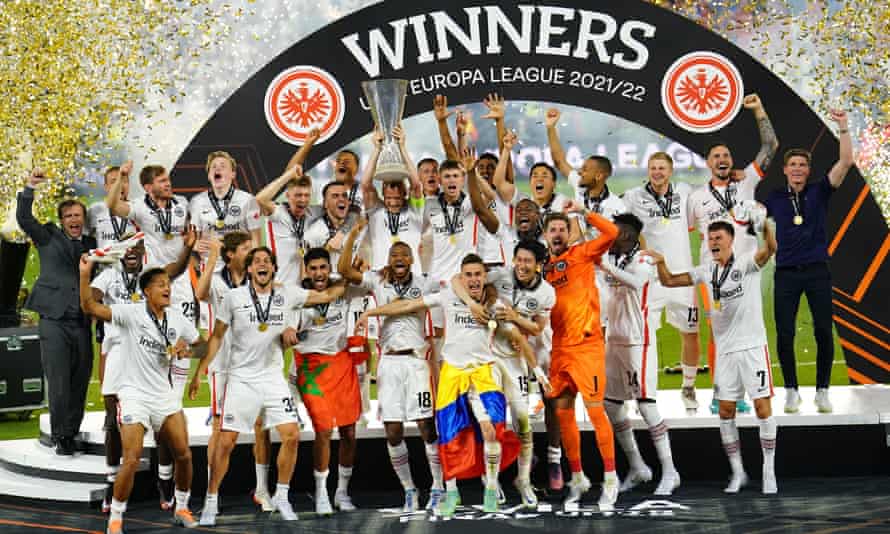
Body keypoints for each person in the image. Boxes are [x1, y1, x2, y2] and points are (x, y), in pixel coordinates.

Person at [359, 254, 536, 516]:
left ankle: (490, 485)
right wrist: (372, 311)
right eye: (469, 275)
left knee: (491, 430)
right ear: (461, 278)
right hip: (452, 373)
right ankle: (451, 491)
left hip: (483, 373)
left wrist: (527, 353)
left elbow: (520, 332)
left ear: (484, 277)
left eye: (478, 274)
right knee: (448, 437)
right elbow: (408, 305)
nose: (474, 279)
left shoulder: (495, 304)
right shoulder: (448, 295)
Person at [191, 247, 343, 525]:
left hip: (273, 378)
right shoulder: (233, 298)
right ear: (249, 269)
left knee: (292, 435)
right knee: (226, 442)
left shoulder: (288, 294)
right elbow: (216, 336)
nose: (262, 265)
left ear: (273, 268)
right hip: (241, 379)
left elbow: (327, 295)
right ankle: (210, 501)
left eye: (267, 261)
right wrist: (200, 371)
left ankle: (282, 495)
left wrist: (350, 275)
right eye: (256, 261)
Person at [648, 219, 778, 494]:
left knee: (762, 409)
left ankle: (768, 472)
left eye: (719, 238)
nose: (714, 242)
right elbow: (669, 280)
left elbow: (770, 250)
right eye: (710, 239)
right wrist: (660, 261)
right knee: (726, 411)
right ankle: (738, 473)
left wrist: (766, 227)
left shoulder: (745, 264)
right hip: (725, 354)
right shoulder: (705, 271)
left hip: (752, 348)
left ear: (731, 241)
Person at [80, 259, 205, 533]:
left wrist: (188, 351)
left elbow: (202, 345)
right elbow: (89, 306)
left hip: (165, 394)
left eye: (168, 284)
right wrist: (84, 273)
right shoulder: (131, 313)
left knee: (184, 455)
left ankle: (181, 506)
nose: (167, 289)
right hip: (134, 394)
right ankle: (116, 517)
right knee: (133, 457)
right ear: (146, 291)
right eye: (161, 284)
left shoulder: (177, 319)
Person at [105, 163, 197, 504]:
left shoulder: (182, 206)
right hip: (158, 285)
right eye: (161, 181)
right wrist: (123, 179)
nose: (168, 184)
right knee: (154, 366)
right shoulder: (141, 208)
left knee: (178, 368)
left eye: (168, 179)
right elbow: (114, 206)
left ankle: (168, 475)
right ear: (147, 186)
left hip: (182, 289)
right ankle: (161, 476)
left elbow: (186, 241)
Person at [339, 220, 444, 512]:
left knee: (426, 426)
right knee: (393, 430)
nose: (398, 259)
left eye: (403, 254)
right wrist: (352, 236)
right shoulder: (377, 280)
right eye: (393, 255)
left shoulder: (426, 283)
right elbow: (345, 271)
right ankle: (410, 490)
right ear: (388, 261)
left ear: (411, 259)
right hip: (389, 364)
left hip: (417, 362)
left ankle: (438, 486)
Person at [687, 93, 779, 413]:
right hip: (712, 274)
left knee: (748, 329)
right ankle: (722, 391)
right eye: (716, 156)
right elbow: (685, 231)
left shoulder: (746, 183)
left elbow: (770, 147)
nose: (722, 160)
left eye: (726, 155)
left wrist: (759, 109)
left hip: (748, 268)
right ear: (709, 163)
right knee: (718, 330)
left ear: (732, 161)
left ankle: (749, 386)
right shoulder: (697, 197)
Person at [451, 239, 555, 508]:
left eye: (527, 261)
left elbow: (534, 330)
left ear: (538, 265)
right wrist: (473, 304)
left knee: (524, 425)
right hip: (489, 363)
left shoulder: (547, 293)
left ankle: (523, 480)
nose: (521, 265)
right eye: (518, 259)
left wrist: (514, 318)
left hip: (517, 363)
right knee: (494, 427)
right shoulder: (498, 275)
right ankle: (492, 480)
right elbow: (456, 279)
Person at [765, 109, 853, 414]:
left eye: (803, 164)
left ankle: (822, 390)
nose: (798, 169)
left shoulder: (820, 190)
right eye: (793, 165)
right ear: (785, 170)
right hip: (786, 274)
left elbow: (845, 163)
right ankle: (791, 391)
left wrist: (842, 126)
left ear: (808, 169)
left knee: (822, 332)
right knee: (785, 332)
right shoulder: (774, 197)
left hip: (817, 272)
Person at [194, 231, 277, 511]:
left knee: (261, 427)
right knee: (220, 429)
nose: (251, 253)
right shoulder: (217, 281)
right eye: (245, 249)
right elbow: (199, 293)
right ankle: (212, 494)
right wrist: (213, 256)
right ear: (231, 255)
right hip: (224, 365)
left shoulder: (262, 280)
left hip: (257, 365)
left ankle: (263, 489)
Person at [543, 209, 620, 509]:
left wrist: (584, 213)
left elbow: (611, 233)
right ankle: (578, 478)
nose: (559, 233)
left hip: (587, 347)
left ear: (569, 232)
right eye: (553, 229)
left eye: (563, 228)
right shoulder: (543, 269)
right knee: (563, 414)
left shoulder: (582, 253)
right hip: (560, 349)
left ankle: (611, 480)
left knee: (596, 411)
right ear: (546, 234)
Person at [16, 169, 97, 455]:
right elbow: (25, 219)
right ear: (63, 221)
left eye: (78, 215)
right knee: (59, 381)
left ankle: (71, 432)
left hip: (82, 322)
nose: (75, 220)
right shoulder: (48, 236)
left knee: (80, 379)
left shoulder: (92, 246)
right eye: (70, 216)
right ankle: (62, 437)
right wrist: (29, 188)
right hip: (53, 320)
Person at [599, 214, 680, 496]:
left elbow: (636, 283)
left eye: (615, 232)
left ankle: (670, 471)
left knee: (646, 405)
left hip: (638, 341)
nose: (610, 236)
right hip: (614, 340)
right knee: (611, 404)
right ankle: (637, 465)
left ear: (629, 235)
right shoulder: (613, 258)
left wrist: (605, 266)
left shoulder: (644, 258)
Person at [281, 248, 361, 515]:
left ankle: (342, 492)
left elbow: (362, 280)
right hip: (311, 368)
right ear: (306, 270)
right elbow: (288, 327)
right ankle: (322, 492)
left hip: (341, 364)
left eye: (323, 268)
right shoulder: (297, 297)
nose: (318, 273)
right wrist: (290, 332)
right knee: (324, 430)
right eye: (313, 268)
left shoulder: (343, 287)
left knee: (349, 432)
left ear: (329, 268)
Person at [623, 153, 701, 413]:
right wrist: (643, 250)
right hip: (650, 279)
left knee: (690, 333)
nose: (657, 172)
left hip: (682, 276)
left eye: (662, 168)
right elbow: (625, 227)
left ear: (670, 170)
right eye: (653, 168)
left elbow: (695, 221)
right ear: (648, 170)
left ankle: (688, 387)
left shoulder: (684, 191)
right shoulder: (634, 196)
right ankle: (643, 392)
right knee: (643, 337)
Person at [360, 125, 424, 277]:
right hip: (381, 276)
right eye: (388, 198)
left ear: (405, 194)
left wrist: (402, 147)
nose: (393, 202)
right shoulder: (376, 210)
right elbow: (365, 185)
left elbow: (416, 184)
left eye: (397, 198)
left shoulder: (414, 209)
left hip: (412, 276)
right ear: (382, 194)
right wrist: (376, 149)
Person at [188, 151, 262, 261]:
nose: (217, 169)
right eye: (213, 167)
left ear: (233, 174)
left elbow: (256, 240)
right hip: (211, 265)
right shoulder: (197, 201)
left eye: (223, 166)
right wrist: (194, 244)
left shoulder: (248, 199)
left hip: (239, 264)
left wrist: (252, 263)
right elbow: (193, 239)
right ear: (209, 175)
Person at [257, 165, 321, 286]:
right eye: (298, 195)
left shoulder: (312, 213)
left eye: (306, 195)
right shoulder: (278, 212)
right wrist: (288, 176)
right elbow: (259, 200)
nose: (303, 199)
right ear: (287, 196)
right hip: (279, 285)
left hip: (305, 290)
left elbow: (337, 207)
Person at [87, 163, 137, 250]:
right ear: (106, 187)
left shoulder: (138, 208)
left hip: (132, 261)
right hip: (106, 262)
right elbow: (84, 238)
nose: (120, 185)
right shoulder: (95, 209)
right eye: (114, 181)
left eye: (124, 181)